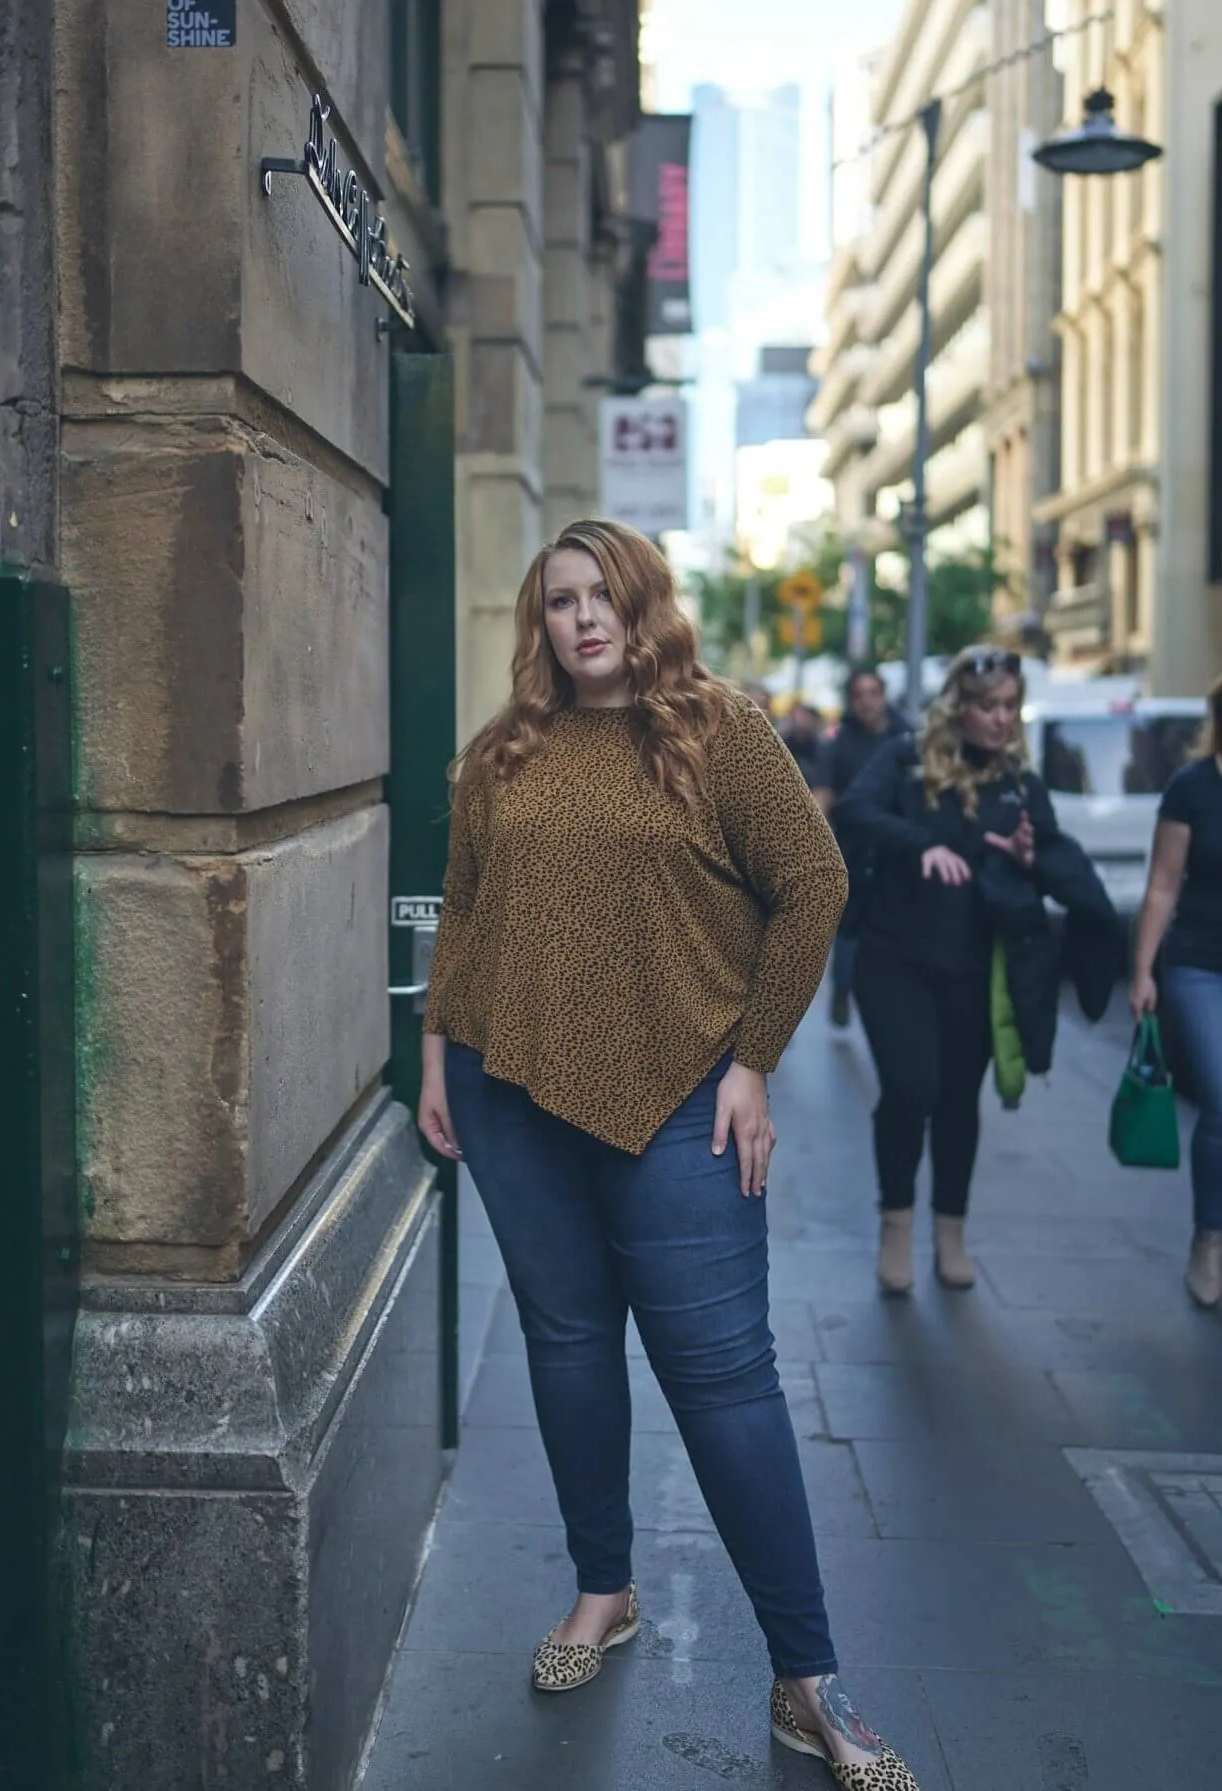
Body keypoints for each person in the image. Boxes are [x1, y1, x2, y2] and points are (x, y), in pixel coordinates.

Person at [418, 518, 923, 1789]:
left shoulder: (716, 731)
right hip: (506, 1084)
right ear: (537, 624)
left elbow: (813, 884)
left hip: (681, 1100)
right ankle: (604, 1591)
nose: (581, 620)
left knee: (723, 1378)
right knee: (569, 1346)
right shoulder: (503, 751)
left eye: (602, 597)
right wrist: (437, 1056)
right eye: (557, 603)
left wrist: (752, 1058)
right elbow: (464, 908)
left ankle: (804, 1674)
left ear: (643, 605)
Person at [836, 649, 1078, 1295]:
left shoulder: (1019, 780)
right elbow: (854, 812)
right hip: (893, 956)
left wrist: (1029, 856)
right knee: (912, 1086)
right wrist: (924, 844)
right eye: (987, 705)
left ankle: (950, 1231)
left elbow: (1050, 860)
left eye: (1009, 706)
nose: (1000, 719)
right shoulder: (907, 759)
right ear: (958, 706)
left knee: (956, 1103)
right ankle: (896, 1223)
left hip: (974, 963)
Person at [1130, 672, 1222, 1308]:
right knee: (1221, 1094)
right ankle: (1209, 1240)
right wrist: (1142, 971)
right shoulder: (1192, 787)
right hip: (1197, 964)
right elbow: (1163, 883)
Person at [809, 668, 909, 1028]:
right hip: (854, 848)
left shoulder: (906, 735)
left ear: (884, 695)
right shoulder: (839, 742)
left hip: (900, 849)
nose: (868, 701)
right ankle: (842, 986)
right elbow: (824, 792)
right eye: (860, 694)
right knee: (849, 925)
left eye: (873, 692)